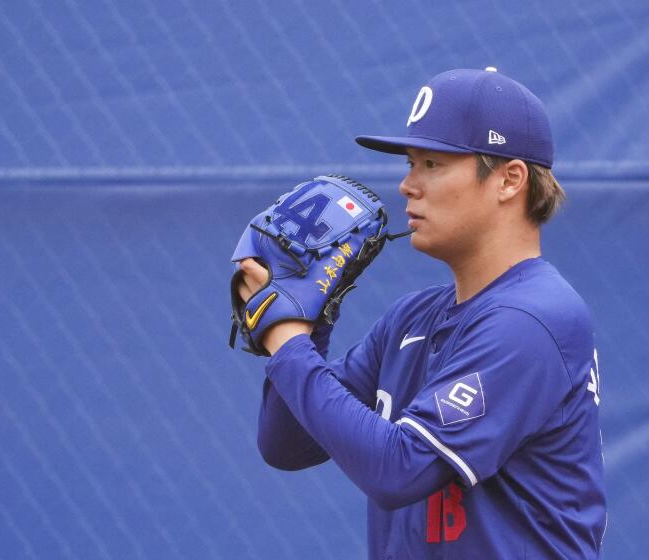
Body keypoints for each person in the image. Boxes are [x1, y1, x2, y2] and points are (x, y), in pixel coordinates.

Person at [236, 68, 607, 559]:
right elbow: (287, 445)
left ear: (509, 180)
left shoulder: (533, 318)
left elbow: (399, 470)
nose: (408, 185)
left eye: (432, 163)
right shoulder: (412, 318)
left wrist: (287, 338)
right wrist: (312, 320)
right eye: (411, 162)